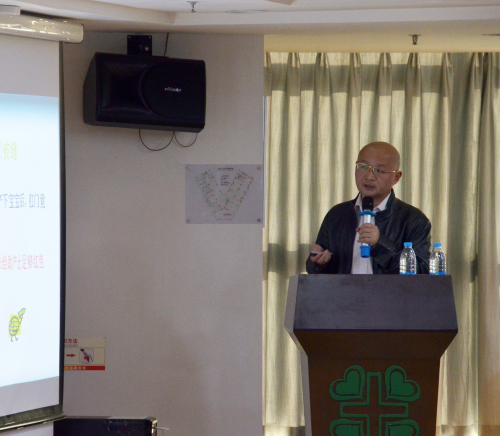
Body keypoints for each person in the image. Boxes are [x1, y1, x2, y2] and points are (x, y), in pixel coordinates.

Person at [306, 141, 431, 274]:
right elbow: (316, 268)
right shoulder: (337, 214)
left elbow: (422, 272)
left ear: (396, 177)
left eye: (379, 170)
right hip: (344, 288)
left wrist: (380, 244)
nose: (369, 176)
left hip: (388, 289)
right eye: (363, 167)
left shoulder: (414, 220)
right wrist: (318, 263)